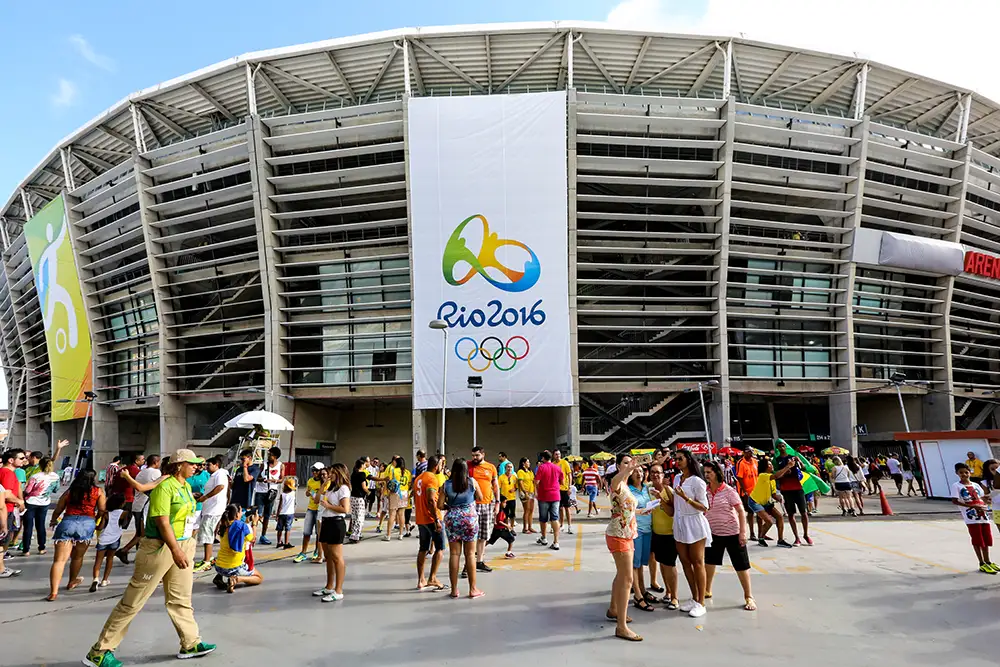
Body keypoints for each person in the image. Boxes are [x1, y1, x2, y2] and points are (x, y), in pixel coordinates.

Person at [83, 450, 216, 667]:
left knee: (181, 599)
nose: (196, 467)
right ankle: (99, 651)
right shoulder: (164, 487)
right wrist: (175, 550)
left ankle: (190, 642)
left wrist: (186, 546)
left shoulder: (186, 486)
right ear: (179, 464)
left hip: (182, 545)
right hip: (161, 547)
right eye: (191, 464)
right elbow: (163, 521)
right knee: (133, 601)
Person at [703, 461, 756, 611]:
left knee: (741, 566)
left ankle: (748, 596)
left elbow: (740, 511)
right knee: (709, 562)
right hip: (713, 534)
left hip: (733, 533)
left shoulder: (728, 491)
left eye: (709, 472)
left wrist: (743, 533)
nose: (706, 475)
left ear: (717, 473)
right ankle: (707, 589)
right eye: (705, 472)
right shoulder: (705, 491)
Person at [47, 469, 107, 600]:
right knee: (77, 557)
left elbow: (58, 509)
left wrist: (53, 520)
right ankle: (72, 581)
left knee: (59, 560)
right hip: (87, 524)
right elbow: (102, 509)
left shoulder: (70, 491)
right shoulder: (98, 492)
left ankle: (54, 592)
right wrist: (96, 518)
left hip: (68, 522)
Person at [671, 449, 712, 618]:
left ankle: (701, 602)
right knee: (685, 561)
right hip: (680, 522)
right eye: (676, 459)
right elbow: (675, 503)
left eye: (680, 459)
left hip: (694, 522)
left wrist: (686, 498)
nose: (677, 462)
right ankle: (695, 598)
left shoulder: (697, 481)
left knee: (697, 561)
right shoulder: (677, 478)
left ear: (688, 459)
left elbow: (704, 507)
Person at [605, 453, 641, 641]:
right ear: (618, 466)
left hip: (626, 533)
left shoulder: (626, 485)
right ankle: (621, 626)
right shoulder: (617, 482)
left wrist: (644, 509)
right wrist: (627, 470)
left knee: (621, 575)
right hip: (619, 535)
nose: (630, 465)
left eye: (631, 462)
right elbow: (615, 483)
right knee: (627, 579)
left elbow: (627, 509)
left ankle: (614, 609)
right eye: (625, 463)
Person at [439, 458, 485, 599]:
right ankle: (472, 589)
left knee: (454, 554)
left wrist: (451, 506)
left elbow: (440, 505)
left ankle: (454, 590)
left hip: (453, 520)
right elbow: (481, 497)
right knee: (470, 554)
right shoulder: (472, 482)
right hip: (469, 519)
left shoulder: (446, 485)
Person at [313, 463, 350, 602]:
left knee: (336, 556)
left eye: (333, 473)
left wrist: (329, 506)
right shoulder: (330, 488)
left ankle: (338, 590)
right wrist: (323, 485)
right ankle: (329, 586)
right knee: (328, 556)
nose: (330, 475)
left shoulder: (343, 489)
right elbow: (317, 500)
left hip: (336, 522)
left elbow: (345, 509)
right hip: (326, 521)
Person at [952, 462, 997, 574]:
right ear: (957, 473)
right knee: (977, 540)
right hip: (971, 518)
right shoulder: (957, 486)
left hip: (983, 515)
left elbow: (982, 497)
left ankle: (988, 561)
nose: (964, 474)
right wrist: (972, 506)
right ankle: (981, 562)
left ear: (970, 472)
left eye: (966, 472)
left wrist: (988, 500)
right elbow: (955, 500)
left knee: (986, 538)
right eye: (961, 472)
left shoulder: (976, 485)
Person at [117, 454, 162, 564]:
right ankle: (125, 550)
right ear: (156, 462)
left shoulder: (142, 472)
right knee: (143, 533)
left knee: (140, 532)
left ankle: (134, 553)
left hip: (137, 504)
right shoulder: (156, 473)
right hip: (144, 506)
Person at [648, 464, 679, 609]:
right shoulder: (647, 489)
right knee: (661, 563)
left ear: (663, 475)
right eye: (653, 472)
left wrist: (661, 498)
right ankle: (667, 592)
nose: (655, 475)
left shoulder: (669, 490)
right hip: (656, 533)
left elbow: (671, 511)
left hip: (669, 534)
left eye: (658, 473)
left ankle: (674, 597)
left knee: (670, 565)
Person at [213, 504, 264, 593]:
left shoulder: (223, 525)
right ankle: (236, 579)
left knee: (226, 555)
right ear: (237, 514)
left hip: (219, 566)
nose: (242, 513)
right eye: (241, 512)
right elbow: (252, 539)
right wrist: (255, 523)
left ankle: (219, 577)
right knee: (259, 578)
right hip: (234, 568)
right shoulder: (242, 526)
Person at [627, 463, 656, 612]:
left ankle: (643, 590)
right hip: (635, 530)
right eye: (635, 471)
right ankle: (637, 595)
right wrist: (641, 511)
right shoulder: (628, 490)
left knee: (642, 563)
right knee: (634, 564)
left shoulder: (646, 489)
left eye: (641, 471)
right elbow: (628, 509)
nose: (639, 474)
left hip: (647, 530)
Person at [414, 455, 446, 590]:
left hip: (420, 518)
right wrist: (437, 519)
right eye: (441, 465)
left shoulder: (418, 478)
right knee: (439, 548)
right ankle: (432, 578)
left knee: (423, 548)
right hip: (431, 518)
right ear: (436, 466)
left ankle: (421, 580)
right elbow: (432, 500)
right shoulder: (432, 478)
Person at [194, 456, 229, 572]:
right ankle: (207, 558)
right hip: (209, 508)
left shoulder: (220, 474)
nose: (206, 468)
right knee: (206, 534)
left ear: (216, 465)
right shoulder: (214, 475)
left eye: (208, 465)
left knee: (207, 534)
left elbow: (220, 487)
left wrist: (205, 497)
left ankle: (206, 561)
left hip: (213, 510)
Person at [468, 446, 499, 571]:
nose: (475, 458)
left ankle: (479, 561)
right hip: (471, 504)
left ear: (483, 454)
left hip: (487, 504)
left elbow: (495, 485)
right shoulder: (468, 466)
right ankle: (468, 564)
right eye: (473, 455)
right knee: (471, 535)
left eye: (477, 455)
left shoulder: (491, 467)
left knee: (483, 535)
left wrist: (497, 503)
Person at [21, 456, 60, 555]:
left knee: (28, 526)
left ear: (40, 465)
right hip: (44, 503)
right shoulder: (55, 476)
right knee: (41, 525)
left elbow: (28, 490)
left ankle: (26, 550)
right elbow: (56, 490)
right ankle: (41, 548)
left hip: (30, 502)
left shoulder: (35, 476)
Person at [774, 444, 811, 546]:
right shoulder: (777, 460)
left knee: (804, 512)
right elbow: (776, 474)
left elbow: (804, 469)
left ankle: (806, 535)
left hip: (798, 487)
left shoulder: (793, 457)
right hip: (786, 489)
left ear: (786, 447)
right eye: (779, 446)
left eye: (783, 446)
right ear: (777, 448)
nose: (781, 448)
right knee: (791, 514)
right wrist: (785, 471)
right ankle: (797, 537)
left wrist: (799, 462)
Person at [91, 494, 128, 592]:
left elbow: (100, 527)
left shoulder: (106, 514)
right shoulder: (124, 513)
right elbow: (124, 525)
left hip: (103, 539)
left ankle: (95, 579)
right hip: (115, 539)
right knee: (110, 559)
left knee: (98, 560)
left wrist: (94, 526)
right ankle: (105, 580)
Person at [295, 463, 327, 560]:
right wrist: (308, 493)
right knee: (306, 532)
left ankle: (317, 551)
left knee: (319, 533)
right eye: (313, 470)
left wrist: (317, 491)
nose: (314, 473)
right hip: (311, 508)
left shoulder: (325, 482)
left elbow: (325, 493)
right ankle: (303, 552)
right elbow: (307, 492)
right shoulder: (310, 481)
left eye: (316, 471)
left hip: (320, 509)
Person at [252, 446, 283, 545]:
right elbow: (257, 477)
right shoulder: (263, 465)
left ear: (275, 457)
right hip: (261, 491)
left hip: (272, 492)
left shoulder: (281, 466)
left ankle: (263, 535)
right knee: (257, 514)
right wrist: (263, 480)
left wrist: (275, 480)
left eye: (270, 455)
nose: (268, 456)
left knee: (267, 515)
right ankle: (253, 535)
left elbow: (282, 478)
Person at [534, 450, 562, 550]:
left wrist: (536, 491)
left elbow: (537, 481)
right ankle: (556, 541)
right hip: (555, 495)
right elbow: (561, 480)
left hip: (544, 495)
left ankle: (544, 537)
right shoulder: (557, 467)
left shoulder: (541, 467)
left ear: (543, 458)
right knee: (555, 518)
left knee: (543, 518)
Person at [735, 449, 760, 542]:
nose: (750, 454)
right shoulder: (740, 463)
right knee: (750, 512)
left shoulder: (755, 461)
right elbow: (739, 477)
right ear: (744, 452)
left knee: (759, 512)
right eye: (748, 452)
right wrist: (744, 491)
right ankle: (752, 533)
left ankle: (761, 533)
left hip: (756, 490)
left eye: (751, 452)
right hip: (746, 491)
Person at [348, 458, 369, 544]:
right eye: (364, 464)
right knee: (360, 517)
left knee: (354, 516)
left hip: (352, 497)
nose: (365, 466)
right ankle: (356, 535)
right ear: (362, 465)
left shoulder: (353, 474)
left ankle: (353, 533)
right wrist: (369, 492)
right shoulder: (362, 474)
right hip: (359, 498)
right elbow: (364, 487)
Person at [554, 449, 574, 535]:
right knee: (560, 508)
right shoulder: (553, 464)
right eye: (556, 454)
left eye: (559, 454)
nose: (558, 456)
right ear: (553, 456)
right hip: (556, 489)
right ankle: (561, 525)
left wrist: (570, 487)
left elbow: (569, 475)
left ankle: (570, 526)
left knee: (567, 507)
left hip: (565, 489)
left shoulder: (564, 463)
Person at [274, 477, 296, 549]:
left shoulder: (282, 495)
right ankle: (286, 543)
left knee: (280, 529)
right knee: (288, 529)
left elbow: (280, 506)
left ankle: (279, 542)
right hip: (290, 514)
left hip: (282, 514)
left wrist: (277, 515)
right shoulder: (293, 493)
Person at [516, 457, 536, 534]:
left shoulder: (530, 471)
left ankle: (530, 526)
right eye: (527, 462)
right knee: (527, 510)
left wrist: (535, 491)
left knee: (531, 510)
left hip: (531, 492)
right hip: (525, 492)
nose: (529, 463)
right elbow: (520, 483)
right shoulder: (520, 472)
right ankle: (525, 528)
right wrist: (525, 492)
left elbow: (533, 481)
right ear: (523, 463)